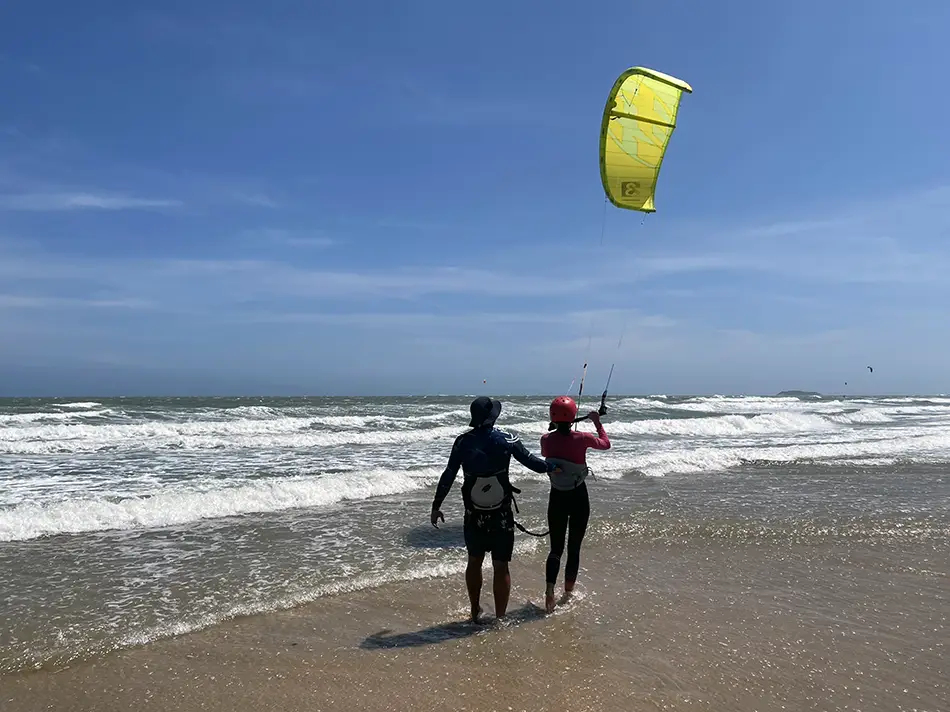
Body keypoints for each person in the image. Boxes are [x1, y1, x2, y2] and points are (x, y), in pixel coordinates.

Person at [430, 396, 557, 623]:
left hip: (473, 514)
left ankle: (474, 611)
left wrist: (436, 505)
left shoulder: (462, 442)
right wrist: (553, 466)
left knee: (474, 561)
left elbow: (448, 474)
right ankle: (500, 618)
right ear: (493, 416)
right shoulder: (506, 439)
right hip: (501, 514)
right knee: (501, 565)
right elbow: (535, 464)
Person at [539, 395, 610, 613]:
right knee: (574, 548)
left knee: (556, 549)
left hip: (557, 497)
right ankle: (567, 594)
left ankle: (549, 590)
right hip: (578, 497)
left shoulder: (545, 440)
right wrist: (597, 421)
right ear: (573, 416)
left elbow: (548, 452)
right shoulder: (583, 438)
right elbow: (606, 444)